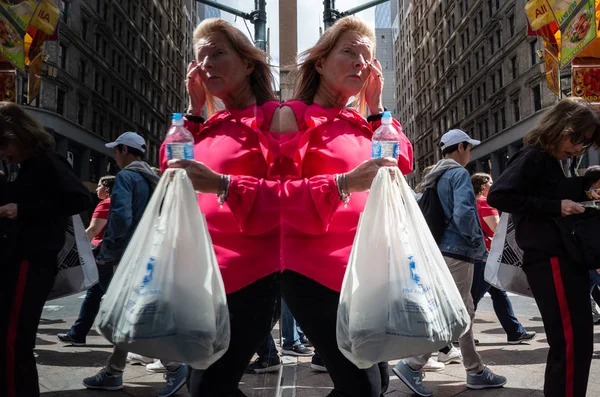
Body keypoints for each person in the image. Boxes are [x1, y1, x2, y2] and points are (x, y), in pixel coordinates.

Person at [276, 17, 413, 396]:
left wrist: (376, 106)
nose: (359, 62)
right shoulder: (293, 116)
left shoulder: (360, 121)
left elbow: (401, 164)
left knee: (378, 382)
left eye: (366, 56)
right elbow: (277, 197)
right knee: (362, 385)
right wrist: (344, 183)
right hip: (311, 271)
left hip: (364, 271)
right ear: (320, 62)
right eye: (349, 52)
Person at [162, 18, 282, 396]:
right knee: (207, 383)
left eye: (217, 54)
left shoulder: (274, 118)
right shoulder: (208, 123)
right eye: (201, 59)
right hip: (200, 275)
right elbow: (169, 167)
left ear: (248, 63)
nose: (207, 65)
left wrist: (221, 184)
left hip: (252, 277)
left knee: (208, 384)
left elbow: (287, 196)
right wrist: (195, 108)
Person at [488, 97, 600, 397]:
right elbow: (498, 196)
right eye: (577, 139)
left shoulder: (549, 161)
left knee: (575, 342)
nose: (577, 148)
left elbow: (549, 191)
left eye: (584, 143)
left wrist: (584, 186)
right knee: (571, 341)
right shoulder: (533, 156)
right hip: (550, 257)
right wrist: (556, 206)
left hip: (559, 256)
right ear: (561, 127)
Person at [394, 129, 507, 396]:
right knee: (452, 312)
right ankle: (413, 364)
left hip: (441, 250)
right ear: (461, 147)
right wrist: (477, 244)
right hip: (458, 251)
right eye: (469, 148)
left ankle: (475, 370)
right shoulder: (458, 174)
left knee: (463, 309)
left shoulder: (435, 175)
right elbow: (465, 214)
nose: (471, 153)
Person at [81, 132, 188, 397]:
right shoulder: (155, 178)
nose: (114, 156)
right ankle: (114, 372)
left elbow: (121, 217)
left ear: (124, 150)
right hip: (156, 253)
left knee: (133, 311)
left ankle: (174, 367)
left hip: (133, 254)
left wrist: (109, 251)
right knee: (131, 311)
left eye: (115, 151)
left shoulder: (126, 177)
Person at [0, 101, 91, 397]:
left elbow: (79, 199)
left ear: (15, 136)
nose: (4, 154)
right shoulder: (28, 166)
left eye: (4, 146)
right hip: (23, 257)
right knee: (13, 339)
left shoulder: (45, 161)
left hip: (31, 259)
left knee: (14, 340)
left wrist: (22, 209)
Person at [470, 173, 537, 344]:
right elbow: (497, 230)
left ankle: (515, 332)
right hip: (486, 256)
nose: (493, 185)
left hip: (482, 255)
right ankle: (458, 335)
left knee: (499, 294)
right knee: (473, 299)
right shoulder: (484, 203)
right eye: (490, 182)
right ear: (483, 186)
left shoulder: (472, 203)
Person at [57, 175, 116, 347]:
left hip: (100, 253)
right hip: (108, 254)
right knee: (94, 294)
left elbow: (93, 230)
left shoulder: (105, 204)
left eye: (99, 186)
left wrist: (77, 249)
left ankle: (129, 336)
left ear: (107, 188)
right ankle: (77, 334)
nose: (97, 189)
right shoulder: (118, 203)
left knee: (110, 296)